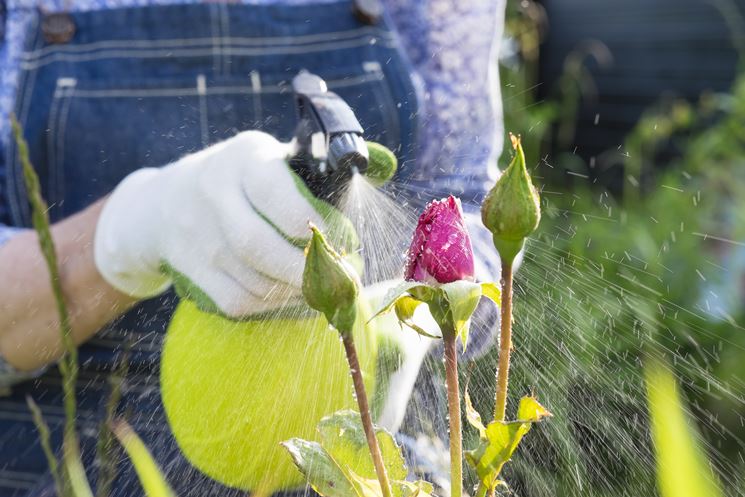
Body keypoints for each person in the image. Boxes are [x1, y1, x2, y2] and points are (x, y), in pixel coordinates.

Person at [0, 0, 505, 495]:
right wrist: (123, 234)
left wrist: (415, 327)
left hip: (366, 465)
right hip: (68, 464)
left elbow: (468, 210)